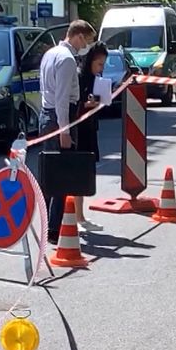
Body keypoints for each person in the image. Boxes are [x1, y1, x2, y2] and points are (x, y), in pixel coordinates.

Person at [35, 19, 96, 244]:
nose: (85, 46)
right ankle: (54, 229)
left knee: (49, 174)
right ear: (78, 36)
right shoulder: (68, 59)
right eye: (86, 41)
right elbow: (62, 98)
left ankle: (45, 226)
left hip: (46, 114)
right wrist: (65, 129)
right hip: (61, 117)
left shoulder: (50, 54)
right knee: (63, 176)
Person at [74, 42, 108, 232]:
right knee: (79, 174)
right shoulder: (80, 77)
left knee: (85, 173)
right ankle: (76, 217)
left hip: (89, 130)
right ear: (90, 62)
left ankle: (80, 216)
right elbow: (75, 105)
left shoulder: (96, 79)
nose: (101, 69)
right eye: (99, 64)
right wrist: (87, 105)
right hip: (80, 132)